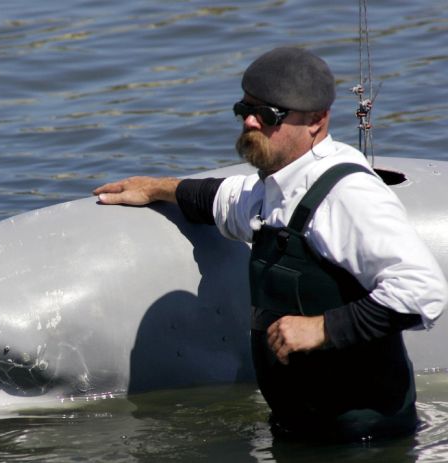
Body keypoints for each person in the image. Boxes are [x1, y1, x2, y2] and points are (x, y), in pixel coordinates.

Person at [93, 46, 448, 442]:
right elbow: (223, 199)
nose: (249, 122)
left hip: (363, 443)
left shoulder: (348, 196)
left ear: (316, 121)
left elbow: (422, 292)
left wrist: (323, 328)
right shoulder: (277, 185)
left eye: (267, 115)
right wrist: (156, 188)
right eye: (243, 109)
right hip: (300, 431)